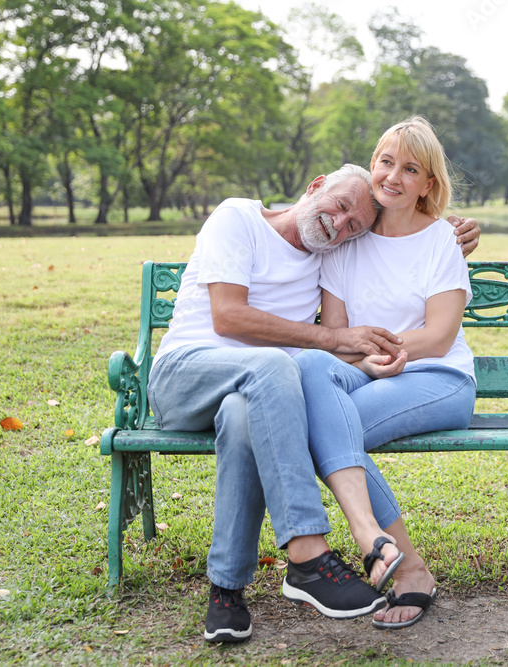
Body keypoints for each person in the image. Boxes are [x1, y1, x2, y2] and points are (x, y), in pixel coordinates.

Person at [146, 163, 480, 643]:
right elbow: (227, 316)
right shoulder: (238, 218)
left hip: (253, 395)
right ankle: (307, 555)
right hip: (186, 376)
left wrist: (446, 228)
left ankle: (225, 592)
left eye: (353, 226)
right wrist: (331, 336)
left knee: (247, 413)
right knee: (277, 366)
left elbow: (396, 238)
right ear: (315, 186)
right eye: (340, 206)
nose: (339, 224)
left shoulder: (328, 254)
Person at [295, 117, 477, 630]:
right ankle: (395, 556)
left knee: (321, 432)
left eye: (411, 169)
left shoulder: (443, 240)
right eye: (386, 162)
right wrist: (367, 360)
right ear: (372, 165)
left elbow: (439, 336)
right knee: (310, 367)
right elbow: (335, 338)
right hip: (366, 370)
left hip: (438, 378)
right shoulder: (346, 242)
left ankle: (409, 568)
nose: (394, 176)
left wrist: (388, 352)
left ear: (428, 185)